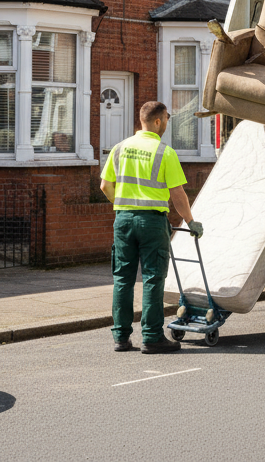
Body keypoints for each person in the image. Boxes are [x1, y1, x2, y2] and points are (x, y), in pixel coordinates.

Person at [100, 101, 202, 354]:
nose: (168, 122)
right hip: (152, 223)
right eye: (167, 118)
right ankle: (152, 336)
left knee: (122, 279)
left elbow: (104, 186)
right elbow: (177, 194)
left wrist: (123, 205)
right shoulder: (164, 152)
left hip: (123, 220)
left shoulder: (120, 148)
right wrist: (191, 221)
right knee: (152, 279)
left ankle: (121, 338)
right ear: (157, 121)